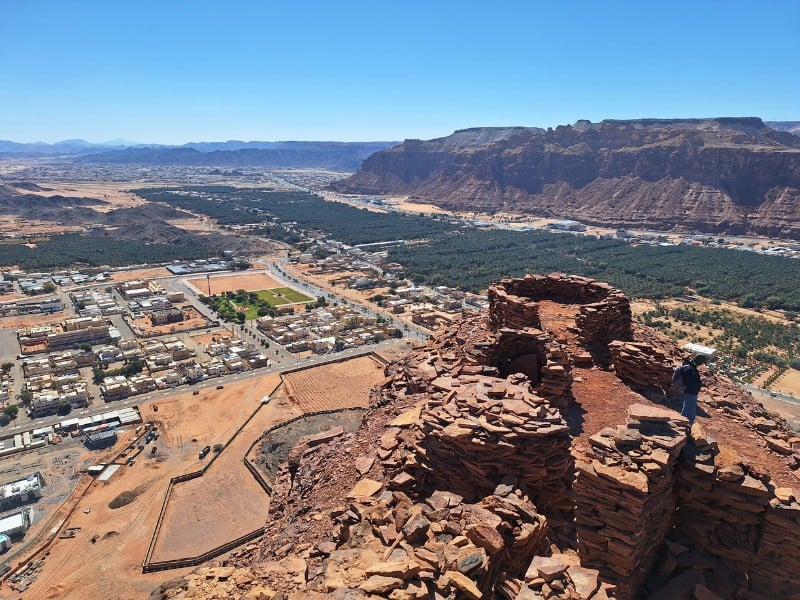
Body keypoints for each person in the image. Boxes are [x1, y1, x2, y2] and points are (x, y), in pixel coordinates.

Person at [675, 354, 707, 425]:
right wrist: (700, 380)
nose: (701, 364)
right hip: (690, 391)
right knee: (691, 408)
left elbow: (691, 379)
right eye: (701, 363)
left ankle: (682, 421)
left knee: (686, 406)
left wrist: (698, 379)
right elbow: (688, 382)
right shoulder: (689, 368)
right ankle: (688, 423)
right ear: (699, 361)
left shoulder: (691, 366)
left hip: (691, 390)